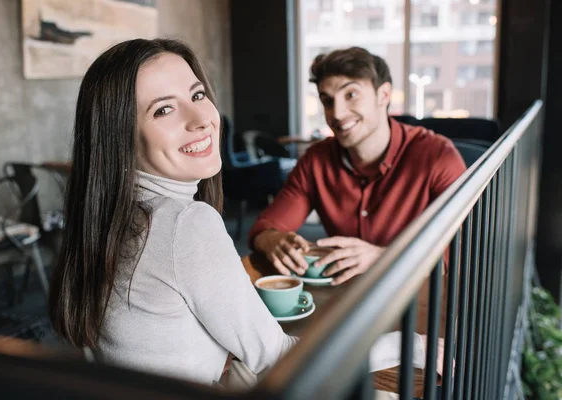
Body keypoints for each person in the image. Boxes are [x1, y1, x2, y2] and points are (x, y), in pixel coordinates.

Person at [48, 38, 296, 386]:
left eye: (197, 95)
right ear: (121, 137)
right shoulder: (185, 223)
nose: (201, 120)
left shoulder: (106, 217)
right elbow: (280, 358)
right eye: (163, 109)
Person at [249, 47, 466, 285]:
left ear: (383, 95)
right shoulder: (316, 161)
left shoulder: (438, 156)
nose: (337, 114)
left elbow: (458, 255)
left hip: (417, 296)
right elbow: (266, 227)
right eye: (327, 101)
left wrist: (381, 257)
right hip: (346, 298)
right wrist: (271, 239)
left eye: (351, 95)